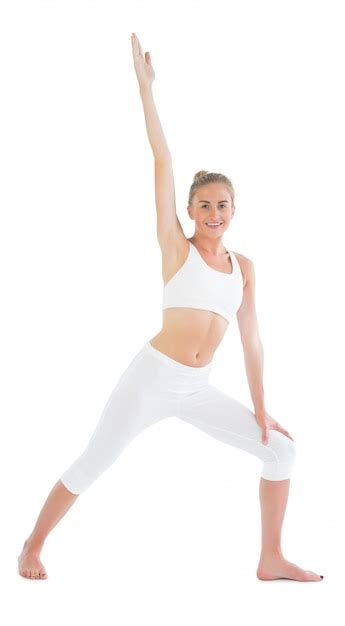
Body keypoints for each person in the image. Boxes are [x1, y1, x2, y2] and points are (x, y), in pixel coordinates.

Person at [17, 32, 323, 583]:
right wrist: (145, 89)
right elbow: (163, 158)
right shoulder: (176, 248)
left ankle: (270, 558)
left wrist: (260, 408)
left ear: (234, 209)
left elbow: (252, 341)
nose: (214, 212)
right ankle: (31, 546)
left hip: (197, 387)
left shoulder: (244, 267)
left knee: (280, 451)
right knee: (95, 462)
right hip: (152, 378)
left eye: (222, 205)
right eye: (203, 204)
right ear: (189, 209)